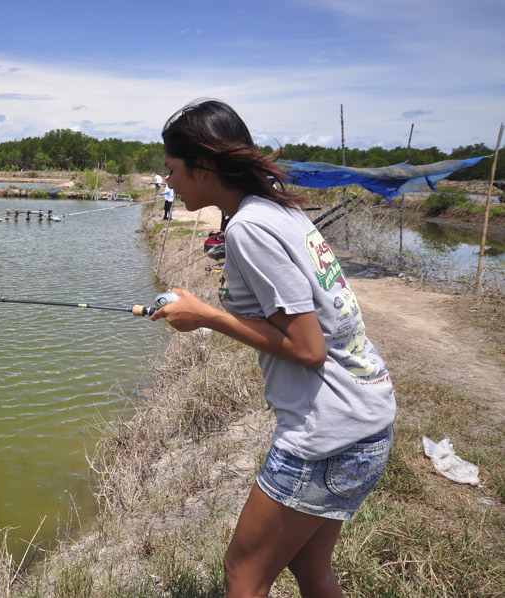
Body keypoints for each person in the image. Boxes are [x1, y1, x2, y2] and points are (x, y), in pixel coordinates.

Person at [151, 98, 396, 598]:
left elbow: (307, 349)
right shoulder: (275, 208)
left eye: (173, 169)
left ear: (204, 165)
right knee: (310, 570)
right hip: (365, 417)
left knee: (243, 576)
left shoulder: (249, 227)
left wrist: (207, 316)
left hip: (327, 434)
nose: (168, 181)